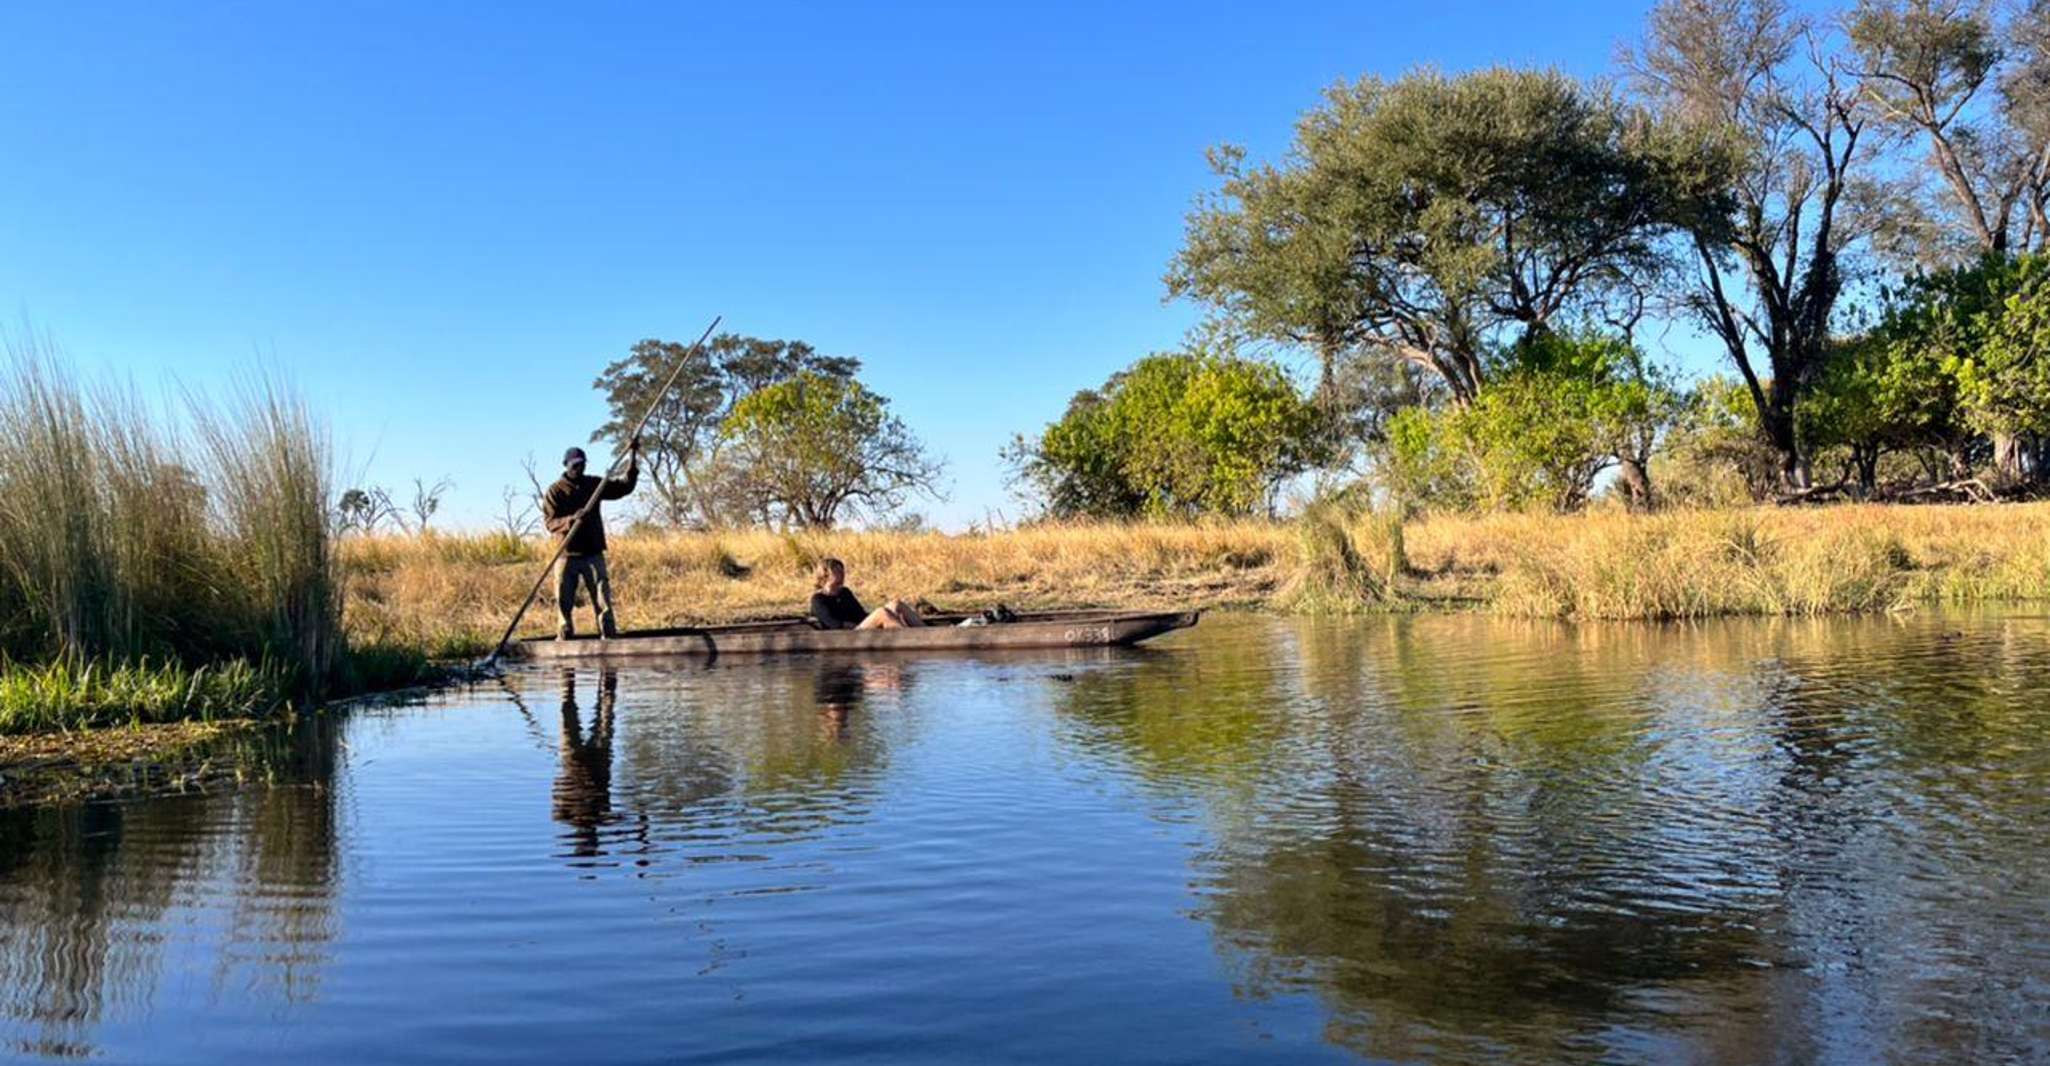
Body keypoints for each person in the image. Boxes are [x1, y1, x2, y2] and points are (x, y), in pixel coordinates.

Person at [541, 440, 639, 639]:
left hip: (593, 553)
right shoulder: (555, 491)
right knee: (564, 600)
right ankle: (565, 636)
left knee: (602, 598)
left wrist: (632, 456)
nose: (580, 467)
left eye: (583, 464)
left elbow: (624, 487)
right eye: (575, 465)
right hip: (566, 554)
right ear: (566, 465)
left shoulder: (594, 484)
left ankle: (608, 634)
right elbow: (550, 523)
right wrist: (571, 520)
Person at [808, 557, 923, 630]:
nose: (842, 574)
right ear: (826, 575)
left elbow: (860, 613)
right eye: (837, 571)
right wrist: (862, 625)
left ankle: (927, 632)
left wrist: (875, 621)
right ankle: (908, 637)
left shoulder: (845, 592)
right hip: (847, 634)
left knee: (896, 604)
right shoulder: (818, 599)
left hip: (861, 626)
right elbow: (833, 624)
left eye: (842, 571)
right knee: (881, 612)